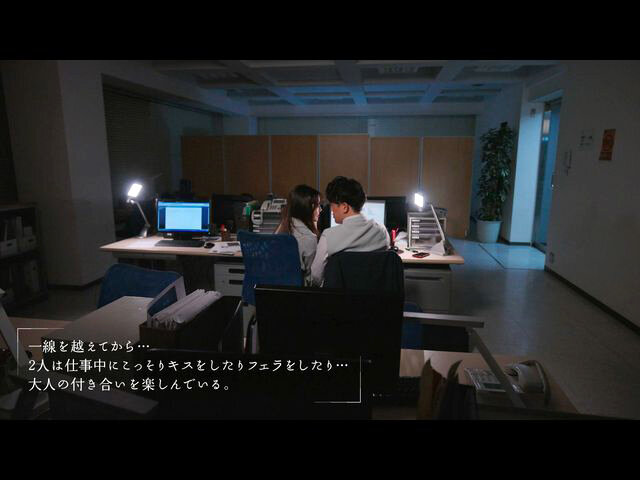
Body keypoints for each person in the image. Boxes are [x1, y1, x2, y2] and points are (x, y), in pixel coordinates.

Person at [310, 176, 389, 286]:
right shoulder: (382, 232)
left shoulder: (328, 237)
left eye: (332, 205)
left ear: (344, 207)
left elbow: (316, 276)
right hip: (374, 296)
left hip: (339, 297)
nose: (331, 210)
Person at [275, 184, 322, 285]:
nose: (321, 209)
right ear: (308, 208)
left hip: (273, 288)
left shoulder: (283, 227)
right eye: (317, 205)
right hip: (297, 291)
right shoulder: (309, 238)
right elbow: (312, 278)